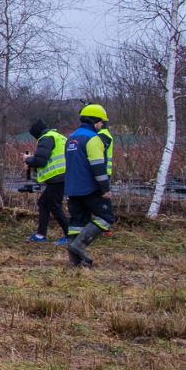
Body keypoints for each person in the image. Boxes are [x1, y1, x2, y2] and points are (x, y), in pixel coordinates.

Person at [62, 104, 114, 268]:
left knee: (78, 222)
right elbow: (98, 166)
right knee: (106, 218)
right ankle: (78, 246)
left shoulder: (71, 138)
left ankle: (74, 262)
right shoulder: (93, 139)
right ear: (96, 122)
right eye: (101, 122)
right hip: (90, 188)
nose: (101, 126)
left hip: (72, 188)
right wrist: (105, 189)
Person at [23, 118, 69, 244]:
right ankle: (41, 234)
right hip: (64, 176)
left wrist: (28, 159)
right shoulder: (59, 136)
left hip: (58, 177)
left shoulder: (46, 138)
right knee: (44, 203)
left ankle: (69, 234)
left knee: (53, 205)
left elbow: (40, 161)